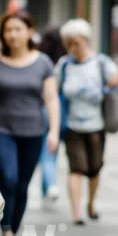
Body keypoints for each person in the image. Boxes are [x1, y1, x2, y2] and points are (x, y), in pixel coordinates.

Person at [0, 11, 60, 236]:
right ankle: (6, 231)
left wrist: (54, 131)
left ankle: (13, 231)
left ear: (29, 31)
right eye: (8, 30)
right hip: (1, 130)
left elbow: (51, 99)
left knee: (23, 185)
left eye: (17, 29)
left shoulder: (43, 63)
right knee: (9, 178)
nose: (12, 34)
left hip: (33, 131)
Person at [56, 19, 118, 225]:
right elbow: (52, 88)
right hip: (72, 125)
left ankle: (91, 203)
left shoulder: (100, 62)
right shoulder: (64, 65)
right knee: (76, 168)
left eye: (77, 42)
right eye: (69, 43)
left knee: (94, 167)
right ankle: (77, 213)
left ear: (86, 40)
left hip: (97, 124)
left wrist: (106, 88)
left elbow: (116, 77)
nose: (73, 47)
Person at [37, 26, 67, 203]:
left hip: (42, 109)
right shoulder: (64, 61)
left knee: (46, 149)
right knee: (51, 150)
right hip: (60, 112)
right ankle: (49, 185)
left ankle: (49, 185)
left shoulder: (39, 59)